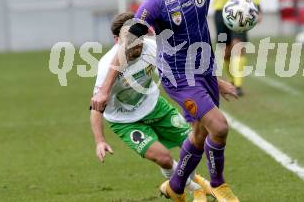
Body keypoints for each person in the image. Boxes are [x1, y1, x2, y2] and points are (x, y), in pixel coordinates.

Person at [91, 0, 304, 202]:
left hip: (205, 70)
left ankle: (174, 186)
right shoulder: (155, 3)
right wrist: (104, 90)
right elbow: (125, 45)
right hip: (179, 77)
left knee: (199, 134)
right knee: (219, 126)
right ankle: (218, 184)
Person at [90, 12, 212, 202]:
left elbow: (179, 72)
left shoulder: (152, 47)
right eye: (129, 38)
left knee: (194, 143)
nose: (136, 42)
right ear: (117, 40)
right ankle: (193, 188)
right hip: (125, 121)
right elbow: (96, 106)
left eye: (138, 35)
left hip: (154, 106)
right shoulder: (107, 65)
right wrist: (99, 140)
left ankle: (182, 183)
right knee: (163, 158)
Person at [206, 0, 261, 96]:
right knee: (226, 52)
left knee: (239, 45)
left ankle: (237, 85)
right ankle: (232, 79)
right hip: (219, 12)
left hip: (240, 14)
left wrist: (258, 8)